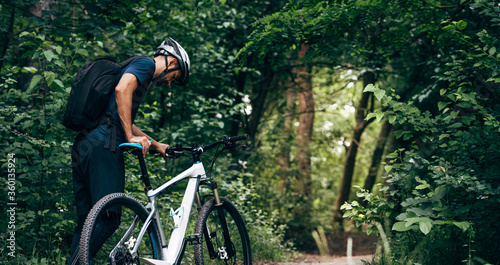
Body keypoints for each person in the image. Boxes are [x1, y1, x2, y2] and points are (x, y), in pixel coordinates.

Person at [67, 38, 190, 264]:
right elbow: (122, 89)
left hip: (85, 145)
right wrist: (131, 137)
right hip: (104, 147)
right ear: (172, 61)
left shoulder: (134, 68)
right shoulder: (146, 65)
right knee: (107, 219)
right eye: (176, 75)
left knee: (88, 223)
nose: (171, 82)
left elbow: (120, 117)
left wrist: (156, 144)